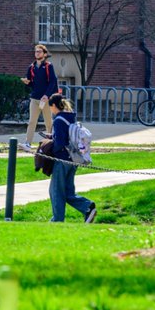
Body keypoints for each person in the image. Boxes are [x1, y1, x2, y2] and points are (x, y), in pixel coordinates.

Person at [46, 94, 97, 223]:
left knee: (56, 191)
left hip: (62, 160)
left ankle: (57, 220)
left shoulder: (58, 120)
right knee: (68, 192)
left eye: (50, 107)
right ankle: (87, 207)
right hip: (73, 159)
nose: (51, 110)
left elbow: (60, 143)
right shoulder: (70, 118)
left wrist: (50, 147)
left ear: (53, 106)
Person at [19, 44, 58, 152]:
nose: (37, 53)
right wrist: (27, 82)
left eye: (39, 51)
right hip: (35, 99)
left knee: (48, 122)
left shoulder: (49, 66)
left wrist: (47, 95)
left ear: (44, 54)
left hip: (46, 100)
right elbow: (31, 83)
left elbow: (52, 82)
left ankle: (51, 143)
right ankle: (28, 143)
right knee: (32, 121)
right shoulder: (31, 67)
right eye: (36, 51)